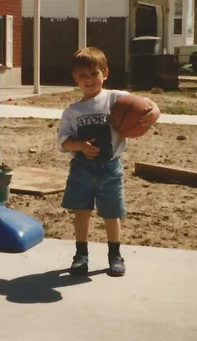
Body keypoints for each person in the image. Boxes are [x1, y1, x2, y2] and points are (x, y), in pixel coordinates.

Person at [57, 46, 160, 278]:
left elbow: (149, 105)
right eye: (83, 75)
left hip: (110, 168)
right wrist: (80, 146)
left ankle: (115, 255)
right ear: (75, 78)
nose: (89, 80)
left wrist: (153, 113)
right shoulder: (72, 111)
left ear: (105, 73)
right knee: (81, 212)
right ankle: (80, 255)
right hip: (81, 169)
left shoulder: (116, 98)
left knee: (111, 214)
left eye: (94, 73)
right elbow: (63, 142)